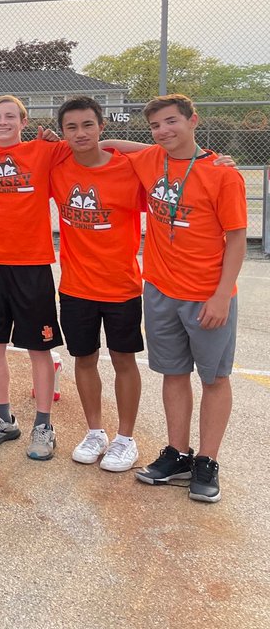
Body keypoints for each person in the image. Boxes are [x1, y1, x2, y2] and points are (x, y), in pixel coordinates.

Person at [129, 94, 246, 503]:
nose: (164, 131)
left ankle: (207, 460)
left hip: (207, 295)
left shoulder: (222, 174)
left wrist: (219, 296)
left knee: (214, 378)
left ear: (192, 120)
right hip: (160, 289)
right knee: (173, 373)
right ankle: (178, 453)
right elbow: (115, 147)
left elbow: (236, 241)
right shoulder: (150, 160)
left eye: (171, 122)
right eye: (156, 126)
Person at [0, 95, 70, 460]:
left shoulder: (43, 151)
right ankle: (4, 419)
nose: (3, 122)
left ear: (24, 122)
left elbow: (91, 149)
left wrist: (56, 140)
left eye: (10, 116)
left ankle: (43, 426)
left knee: (38, 348)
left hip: (32, 266)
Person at [50, 97, 145, 472]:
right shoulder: (58, 169)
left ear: (102, 127)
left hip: (121, 286)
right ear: (63, 133)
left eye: (88, 125)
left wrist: (112, 147)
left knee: (124, 359)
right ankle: (95, 432)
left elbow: (165, 152)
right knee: (84, 359)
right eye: (71, 127)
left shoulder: (129, 170)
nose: (80, 133)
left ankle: (125, 438)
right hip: (75, 286)